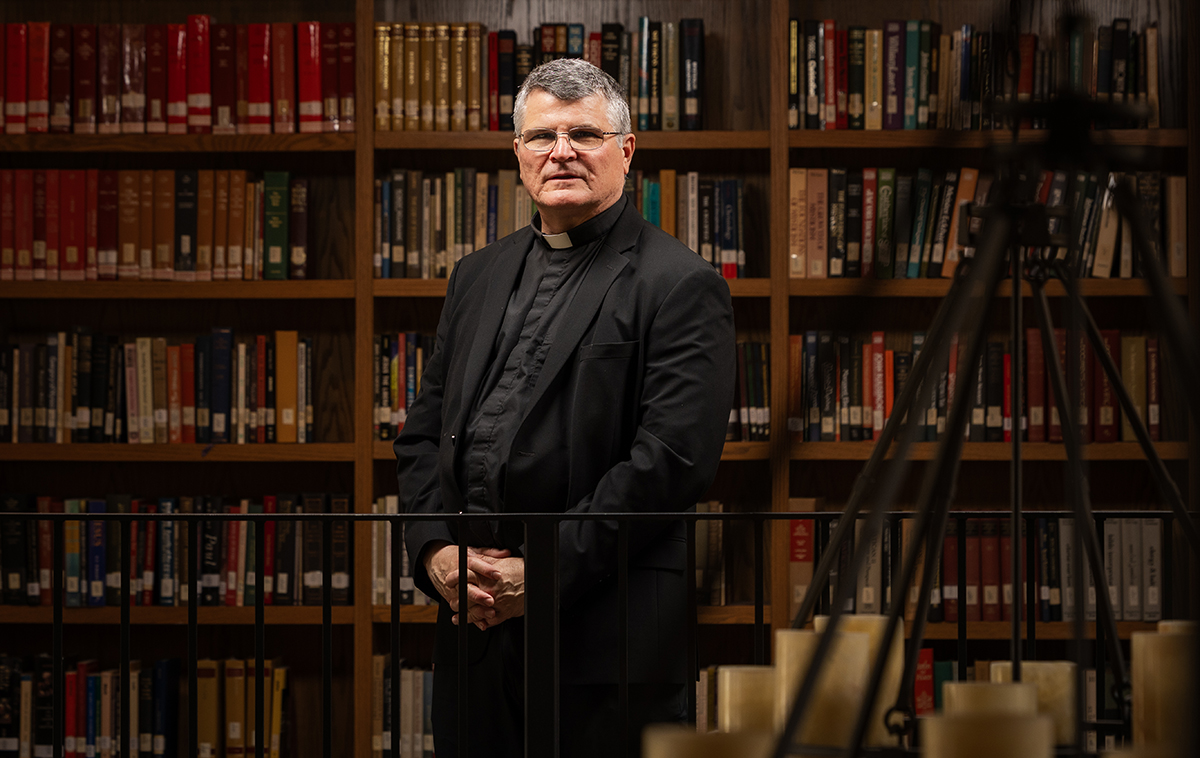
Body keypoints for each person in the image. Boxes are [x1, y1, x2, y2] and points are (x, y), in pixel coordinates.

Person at [394, 57, 735, 758]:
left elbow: (670, 462)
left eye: (585, 135)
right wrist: (435, 552)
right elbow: (423, 435)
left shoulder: (681, 283)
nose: (562, 152)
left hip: (604, 635)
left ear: (626, 151)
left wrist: (541, 573)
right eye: (542, 136)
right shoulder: (476, 275)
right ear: (517, 154)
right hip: (475, 634)